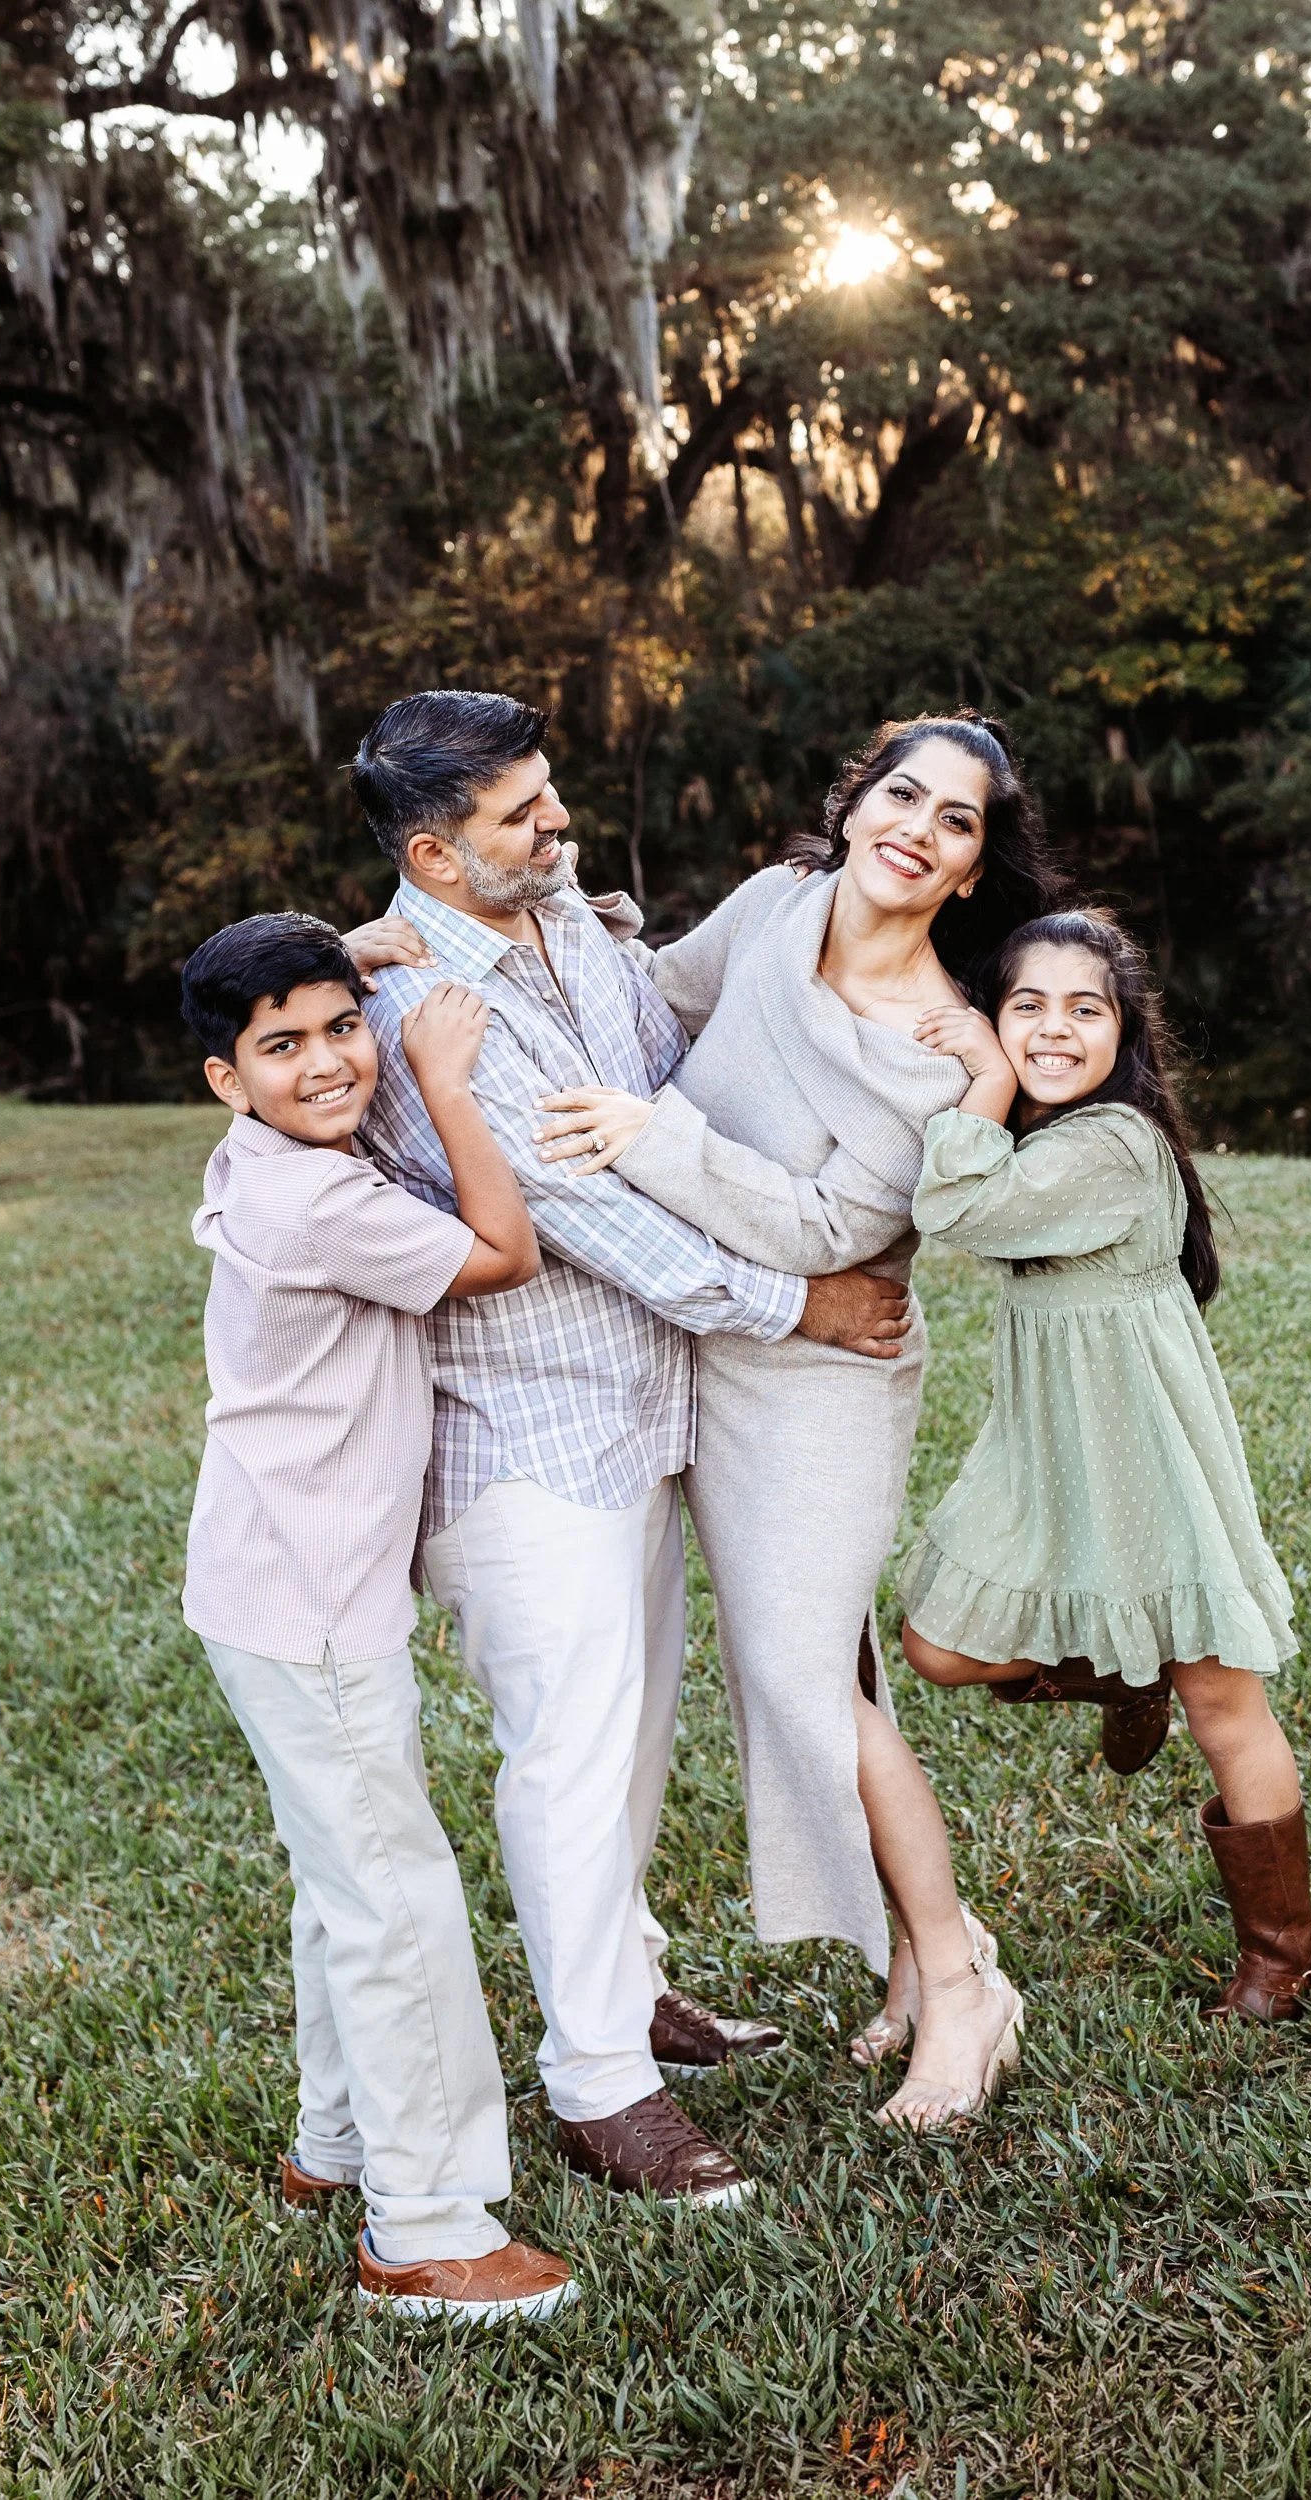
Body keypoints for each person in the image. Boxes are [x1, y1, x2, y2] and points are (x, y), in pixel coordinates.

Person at [344, 690, 912, 2207]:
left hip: (647, 1412)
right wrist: (804, 1299)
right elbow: (592, 1224)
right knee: (573, 1760)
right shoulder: (410, 1014)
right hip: (523, 1434)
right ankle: (601, 2084)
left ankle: (628, 1982)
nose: (556, 821)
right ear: (432, 855)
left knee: (634, 1734)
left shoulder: (571, 926)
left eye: (549, 792)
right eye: (520, 813)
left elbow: (674, 1075)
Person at [533, 714, 1068, 2128]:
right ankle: (907, 1960)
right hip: (697, 1341)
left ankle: (962, 1985)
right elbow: (660, 999)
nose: (920, 828)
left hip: (826, 1379)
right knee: (823, 1662)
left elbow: (840, 1231)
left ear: (968, 872)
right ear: (855, 806)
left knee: (799, 1681)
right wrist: (535, 930)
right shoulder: (780, 904)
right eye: (904, 794)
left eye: (956, 822)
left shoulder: (956, 1046)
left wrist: (655, 1140)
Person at [179, 909, 579, 2325]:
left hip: (265, 1582)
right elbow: (502, 1252)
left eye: (338, 1027)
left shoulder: (268, 1156)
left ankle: (333, 2144)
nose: (330, 1062)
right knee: (393, 1897)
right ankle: (423, 2226)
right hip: (315, 1601)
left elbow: (302, 998)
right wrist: (446, 1080)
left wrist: (362, 959)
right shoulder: (319, 1199)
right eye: (280, 1047)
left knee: (337, 1874)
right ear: (226, 1081)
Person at [896, 908, 1311, 2021]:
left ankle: (1285, 1958)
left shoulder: (1110, 1144)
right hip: (1052, 1457)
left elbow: (956, 1205)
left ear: (1123, 1030)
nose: (1052, 1030)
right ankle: (1118, 1667)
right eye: (1023, 1007)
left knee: (1222, 1699)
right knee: (937, 1646)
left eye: (1082, 1008)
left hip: (1146, 1456)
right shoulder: (1050, 1139)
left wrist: (984, 1076)